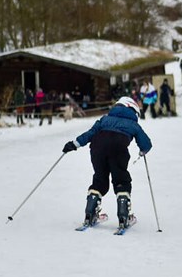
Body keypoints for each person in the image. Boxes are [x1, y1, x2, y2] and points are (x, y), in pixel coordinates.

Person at [62, 96, 152, 229]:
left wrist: (74, 144)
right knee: (121, 180)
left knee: (100, 179)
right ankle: (124, 216)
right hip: (118, 148)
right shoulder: (133, 124)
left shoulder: (105, 119)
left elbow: (90, 133)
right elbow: (146, 144)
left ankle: (90, 214)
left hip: (97, 148)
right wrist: (143, 151)